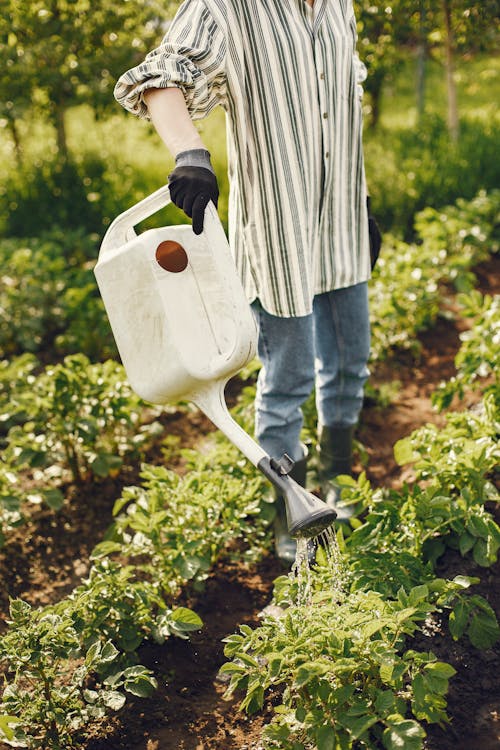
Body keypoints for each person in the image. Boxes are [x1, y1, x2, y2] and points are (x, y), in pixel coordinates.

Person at [114, 0, 378, 564]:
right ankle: (292, 508)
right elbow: (161, 80)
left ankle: (337, 478)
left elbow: (343, 107)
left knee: (351, 361)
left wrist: (364, 200)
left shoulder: (339, 8)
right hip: (282, 229)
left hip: (342, 224)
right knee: (287, 384)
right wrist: (189, 151)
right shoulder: (231, 8)